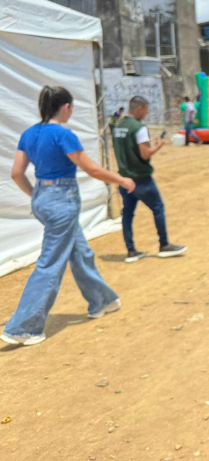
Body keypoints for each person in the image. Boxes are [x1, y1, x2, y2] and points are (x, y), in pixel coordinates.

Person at [2, 86, 135, 346]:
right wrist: (121, 180)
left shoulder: (29, 133)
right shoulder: (64, 134)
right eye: (71, 108)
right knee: (50, 264)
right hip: (62, 202)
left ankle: (101, 301)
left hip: (43, 198)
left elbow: (17, 173)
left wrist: (37, 195)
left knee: (80, 252)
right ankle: (24, 327)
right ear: (65, 107)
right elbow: (92, 169)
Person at [112, 95, 187, 263]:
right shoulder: (139, 128)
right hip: (141, 178)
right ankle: (164, 245)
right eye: (145, 110)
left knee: (128, 215)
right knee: (158, 207)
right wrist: (157, 146)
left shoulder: (119, 126)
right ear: (139, 109)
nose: (146, 114)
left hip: (124, 179)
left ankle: (131, 251)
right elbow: (145, 155)